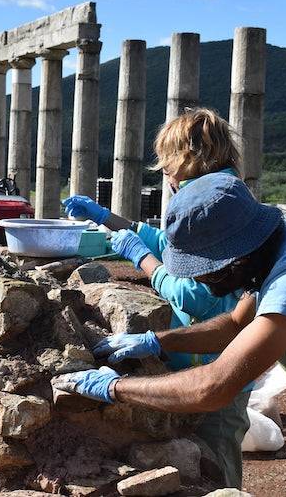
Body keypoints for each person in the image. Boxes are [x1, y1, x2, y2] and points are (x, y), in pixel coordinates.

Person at [55, 172, 286, 496]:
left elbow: (213, 388)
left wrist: (114, 389)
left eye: (202, 270)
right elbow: (237, 324)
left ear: (234, 261)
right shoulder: (279, 240)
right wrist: (157, 341)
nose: (196, 279)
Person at [62, 108, 249, 487]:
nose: (164, 174)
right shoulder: (212, 195)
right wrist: (108, 218)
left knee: (217, 467)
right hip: (196, 360)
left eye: (167, 164)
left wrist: (141, 258)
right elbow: (170, 244)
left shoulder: (214, 204)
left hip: (221, 367)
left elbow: (193, 295)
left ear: (186, 160)